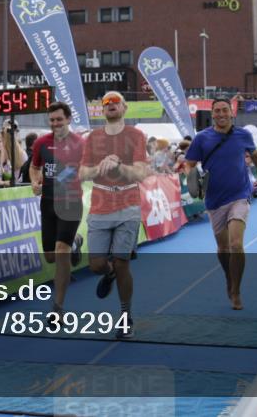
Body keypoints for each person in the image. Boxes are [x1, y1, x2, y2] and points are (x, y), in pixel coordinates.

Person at [184, 97, 257, 310]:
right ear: (212, 114)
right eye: (217, 111)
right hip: (214, 200)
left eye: (224, 110)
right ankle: (229, 279)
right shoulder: (202, 138)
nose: (221, 114)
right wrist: (193, 180)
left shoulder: (243, 135)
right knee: (222, 249)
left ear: (232, 113)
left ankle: (236, 291)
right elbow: (189, 164)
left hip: (240, 195)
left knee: (236, 245)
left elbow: (255, 155)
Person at [79, 91, 149, 339]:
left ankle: (125, 316)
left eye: (114, 101)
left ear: (125, 107)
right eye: (105, 102)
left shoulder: (136, 135)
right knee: (97, 265)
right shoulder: (92, 138)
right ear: (101, 109)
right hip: (100, 204)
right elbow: (82, 173)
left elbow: (141, 174)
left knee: (122, 263)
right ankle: (108, 273)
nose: (109, 104)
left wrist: (119, 166)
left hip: (128, 204)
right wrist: (99, 167)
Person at [29, 102, 85, 318]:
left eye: (59, 119)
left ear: (68, 119)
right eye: (52, 120)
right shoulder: (42, 142)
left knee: (61, 252)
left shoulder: (79, 143)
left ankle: (58, 308)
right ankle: (75, 241)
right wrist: (35, 182)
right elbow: (35, 167)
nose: (55, 124)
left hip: (70, 203)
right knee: (51, 256)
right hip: (48, 203)